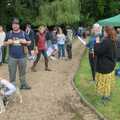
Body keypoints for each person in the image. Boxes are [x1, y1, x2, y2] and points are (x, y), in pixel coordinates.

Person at [4, 18, 31, 90]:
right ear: (12, 25)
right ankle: (12, 86)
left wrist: (25, 42)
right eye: (13, 24)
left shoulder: (23, 33)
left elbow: (29, 42)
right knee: (12, 72)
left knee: (22, 71)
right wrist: (8, 42)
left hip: (22, 57)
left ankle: (23, 84)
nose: (14, 26)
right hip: (12, 57)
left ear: (19, 25)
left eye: (16, 24)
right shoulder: (9, 33)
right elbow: (4, 43)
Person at [94, 26, 116, 102]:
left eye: (104, 31)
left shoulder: (107, 41)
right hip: (110, 65)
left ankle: (105, 98)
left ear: (107, 32)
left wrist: (97, 42)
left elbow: (98, 51)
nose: (103, 32)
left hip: (105, 66)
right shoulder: (112, 40)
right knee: (108, 83)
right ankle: (107, 96)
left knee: (105, 83)